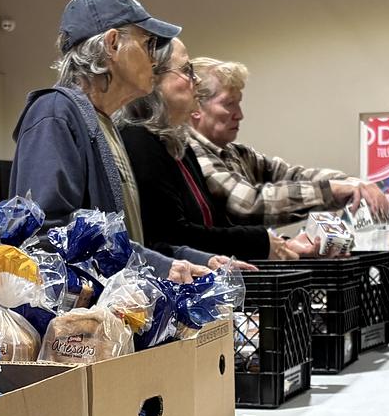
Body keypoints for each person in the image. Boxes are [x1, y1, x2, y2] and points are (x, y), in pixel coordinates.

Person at [9, 0, 216, 281]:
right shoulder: (55, 113)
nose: (154, 60)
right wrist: (158, 266)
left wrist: (191, 259)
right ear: (113, 43)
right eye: (148, 43)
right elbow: (45, 236)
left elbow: (132, 240)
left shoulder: (105, 124)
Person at [120, 40, 304, 262]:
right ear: (153, 80)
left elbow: (214, 223)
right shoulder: (140, 141)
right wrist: (260, 241)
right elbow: (170, 235)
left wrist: (279, 244)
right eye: (186, 70)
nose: (195, 80)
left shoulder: (177, 142)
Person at [188, 58, 389, 228]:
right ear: (196, 107)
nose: (239, 115)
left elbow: (292, 175)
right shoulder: (191, 152)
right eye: (228, 104)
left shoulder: (235, 154)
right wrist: (331, 190)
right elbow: (248, 204)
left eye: (238, 103)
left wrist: (350, 182)